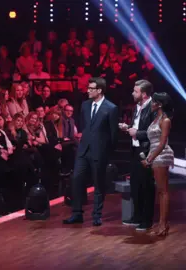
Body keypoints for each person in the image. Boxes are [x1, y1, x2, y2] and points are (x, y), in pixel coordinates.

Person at [63, 77, 118, 226]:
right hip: (83, 149)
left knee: (98, 183)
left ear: (99, 90)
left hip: (99, 152)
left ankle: (97, 215)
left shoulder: (111, 108)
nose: (87, 90)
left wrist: (107, 153)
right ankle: (77, 213)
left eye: (91, 88)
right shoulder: (85, 105)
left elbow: (114, 135)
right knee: (76, 179)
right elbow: (84, 126)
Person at [119, 80, 155, 231]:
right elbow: (137, 127)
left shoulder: (153, 108)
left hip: (147, 151)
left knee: (146, 186)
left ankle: (147, 220)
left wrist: (138, 133)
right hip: (135, 150)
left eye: (136, 91)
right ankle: (137, 216)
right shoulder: (137, 107)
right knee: (135, 185)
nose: (133, 93)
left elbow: (156, 132)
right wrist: (128, 128)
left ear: (144, 94)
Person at [141, 92, 174, 236]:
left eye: (153, 101)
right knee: (159, 191)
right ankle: (162, 223)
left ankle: (163, 224)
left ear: (159, 104)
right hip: (154, 155)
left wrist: (149, 159)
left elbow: (161, 144)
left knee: (163, 190)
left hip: (162, 155)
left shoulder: (165, 120)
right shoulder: (156, 119)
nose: (151, 104)